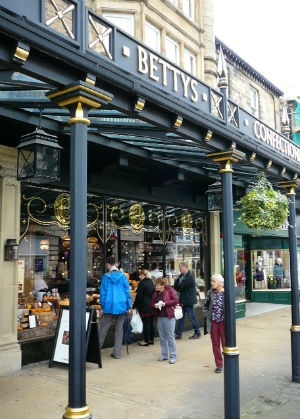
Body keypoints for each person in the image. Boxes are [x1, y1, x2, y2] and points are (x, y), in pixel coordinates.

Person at [99, 256, 131, 359]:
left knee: (102, 330)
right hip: (122, 305)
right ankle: (117, 353)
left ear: (108, 264)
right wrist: (128, 306)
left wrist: (102, 307)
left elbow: (103, 293)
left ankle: (95, 351)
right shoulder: (123, 276)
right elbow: (127, 292)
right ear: (116, 264)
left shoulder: (105, 277)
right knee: (119, 330)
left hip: (109, 305)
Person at [151, 277, 179, 364]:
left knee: (170, 336)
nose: (156, 287)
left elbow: (176, 300)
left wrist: (165, 303)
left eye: (158, 285)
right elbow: (151, 302)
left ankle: (173, 356)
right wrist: (154, 305)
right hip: (159, 317)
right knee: (162, 337)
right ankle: (164, 355)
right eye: (156, 285)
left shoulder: (169, 290)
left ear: (163, 285)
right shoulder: (155, 293)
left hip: (169, 316)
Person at [203, 274, 225, 374]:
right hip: (214, 322)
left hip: (224, 323)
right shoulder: (210, 293)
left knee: (226, 344)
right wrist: (206, 315)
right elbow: (206, 305)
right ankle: (219, 365)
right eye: (211, 281)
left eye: (214, 281)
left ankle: (228, 363)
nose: (212, 283)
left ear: (220, 283)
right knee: (215, 344)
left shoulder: (226, 293)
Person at [174, 262, 201, 339]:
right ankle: (179, 334)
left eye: (180, 268)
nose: (179, 270)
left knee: (191, 316)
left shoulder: (190, 277)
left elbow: (181, 286)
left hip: (188, 300)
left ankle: (197, 332)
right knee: (180, 317)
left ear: (185, 268)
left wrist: (179, 286)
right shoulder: (181, 276)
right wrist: (179, 286)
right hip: (182, 300)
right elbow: (175, 285)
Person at [132, 269, 155, 346]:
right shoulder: (151, 281)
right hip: (151, 304)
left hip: (144, 305)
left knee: (146, 323)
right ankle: (151, 340)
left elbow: (139, 296)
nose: (139, 276)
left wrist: (135, 305)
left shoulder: (142, 283)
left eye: (140, 275)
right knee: (151, 323)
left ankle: (146, 341)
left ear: (143, 275)